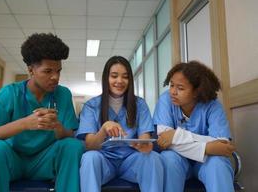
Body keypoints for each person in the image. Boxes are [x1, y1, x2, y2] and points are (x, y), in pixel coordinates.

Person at [0, 33, 85, 192]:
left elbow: (70, 135)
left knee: (72, 146)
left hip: (44, 162)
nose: (55, 77)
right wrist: (25, 123)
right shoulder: (10, 94)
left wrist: (58, 128)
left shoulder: (63, 94)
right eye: (48, 71)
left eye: (58, 71)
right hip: (12, 161)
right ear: (31, 70)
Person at [76, 56, 164, 192]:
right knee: (89, 158)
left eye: (125, 77)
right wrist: (104, 128)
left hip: (131, 161)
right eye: (114, 76)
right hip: (104, 161)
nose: (119, 81)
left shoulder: (139, 104)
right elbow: (89, 145)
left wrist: (144, 145)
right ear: (106, 78)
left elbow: (145, 137)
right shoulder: (91, 106)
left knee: (153, 158)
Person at [153, 60, 235, 192]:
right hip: (177, 162)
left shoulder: (213, 105)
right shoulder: (165, 100)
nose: (173, 92)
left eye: (180, 88)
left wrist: (176, 135)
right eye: (171, 85)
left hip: (206, 163)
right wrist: (208, 147)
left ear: (197, 91)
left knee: (218, 163)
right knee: (168, 158)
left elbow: (223, 144)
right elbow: (164, 141)